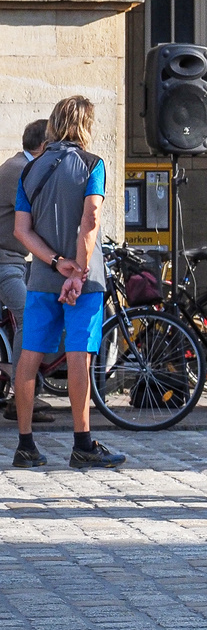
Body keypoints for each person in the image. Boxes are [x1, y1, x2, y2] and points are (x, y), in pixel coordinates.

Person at [10, 96, 124, 469]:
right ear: (86, 125)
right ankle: (82, 443)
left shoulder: (31, 169)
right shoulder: (93, 164)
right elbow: (90, 219)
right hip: (85, 280)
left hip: (42, 277)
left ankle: (25, 444)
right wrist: (77, 271)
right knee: (79, 355)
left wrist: (56, 263)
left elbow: (21, 230)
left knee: (30, 354)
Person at [0, 119, 53, 423]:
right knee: (29, 316)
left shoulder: (24, 165)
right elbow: (40, 213)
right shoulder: (20, 169)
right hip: (4, 262)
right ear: (44, 146)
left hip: (16, 260)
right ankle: (20, 398)